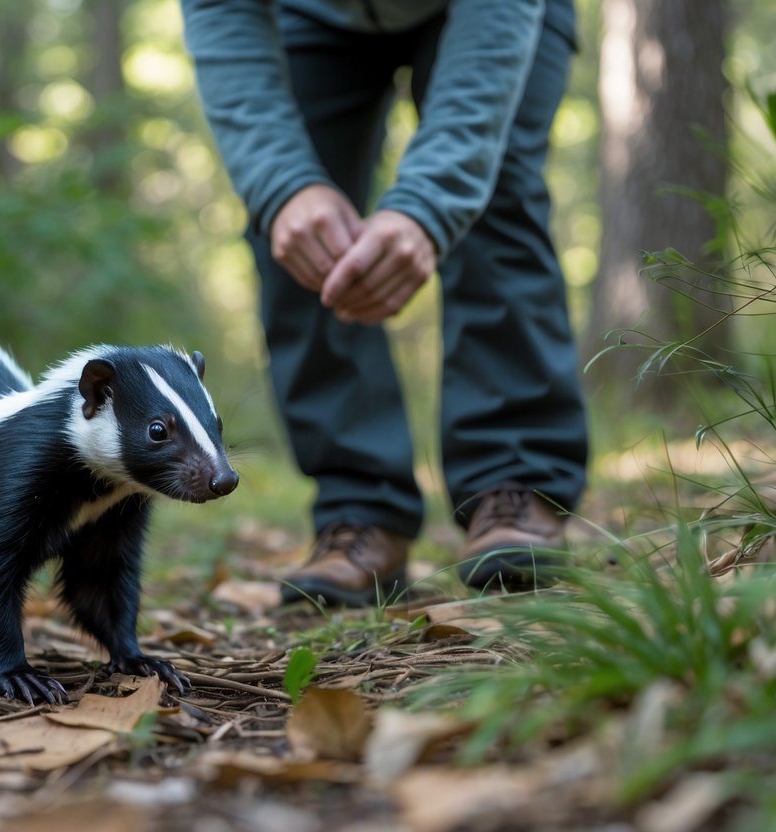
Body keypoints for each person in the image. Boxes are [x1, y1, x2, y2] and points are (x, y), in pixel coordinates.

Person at [180, 0, 588, 603]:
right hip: (307, 14)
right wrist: (286, 186)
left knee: (496, 199)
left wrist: (427, 207)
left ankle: (516, 482)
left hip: (495, 13)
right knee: (297, 231)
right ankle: (360, 508)